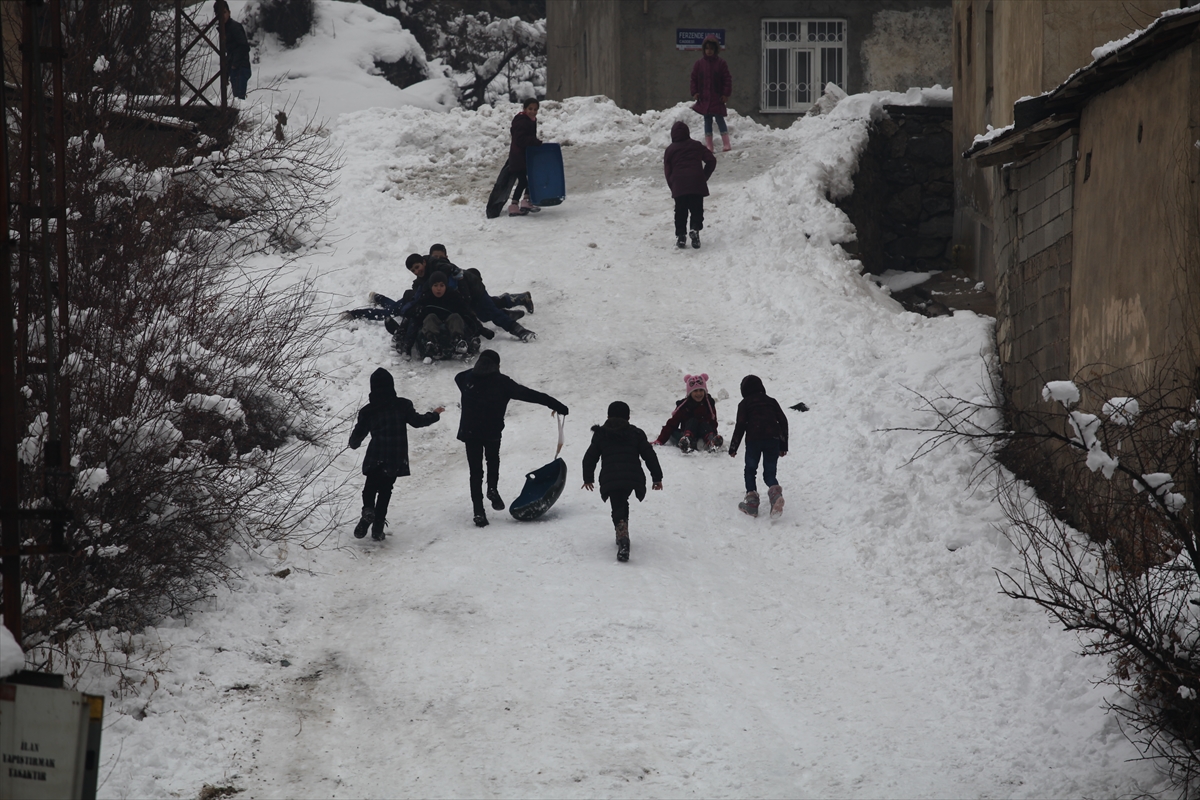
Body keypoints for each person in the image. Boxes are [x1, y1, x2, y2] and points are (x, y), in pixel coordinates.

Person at [454, 349, 568, 527]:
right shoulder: (502, 383)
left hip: (470, 432)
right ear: (497, 366)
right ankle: (492, 488)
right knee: (493, 460)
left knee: (475, 472)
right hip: (491, 431)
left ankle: (478, 512)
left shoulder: (466, 378)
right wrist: (557, 405)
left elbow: (458, 377)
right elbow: (531, 395)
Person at [348, 368, 444, 541]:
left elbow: (358, 436)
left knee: (370, 486)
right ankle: (377, 527)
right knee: (386, 490)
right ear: (391, 385)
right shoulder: (402, 405)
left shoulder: (368, 411)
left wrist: (353, 442)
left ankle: (368, 510)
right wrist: (435, 415)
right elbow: (417, 421)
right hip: (395, 455)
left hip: (376, 453)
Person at [582, 401, 664, 563]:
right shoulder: (636, 433)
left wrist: (588, 478)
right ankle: (622, 530)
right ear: (628, 417)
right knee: (622, 500)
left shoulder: (601, 434)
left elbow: (590, 457)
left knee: (618, 503)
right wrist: (657, 477)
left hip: (611, 477)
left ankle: (622, 535)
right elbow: (649, 455)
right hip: (632, 477)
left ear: (607, 416)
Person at [427, 244, 537, 341]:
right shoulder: (432, 270)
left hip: (474, 292)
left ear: (446, 257)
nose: (438, 260)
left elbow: (465, 296)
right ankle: (508, 312)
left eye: (441, 257)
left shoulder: (452, 271)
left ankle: (518, 328)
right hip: (465, 296)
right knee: (485, 314)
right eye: (435, 257)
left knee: (491, 311)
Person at [727, 375, 788, 518]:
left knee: (750, 469)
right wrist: (783, 444)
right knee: (769, 472)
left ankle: (752, 502)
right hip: (772, 439)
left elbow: (740, 425)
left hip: (754, 440)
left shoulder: (744, 404)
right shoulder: (772, 402)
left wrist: (734, 447)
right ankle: (775, 494)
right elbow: (783, 421)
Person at [406, 271, 486, 360]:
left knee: (455, 317)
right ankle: (432, 343)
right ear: (431, 286)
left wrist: (480, 329)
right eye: (435, 286)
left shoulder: (453, 296)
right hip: (432, 327)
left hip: (450, 325)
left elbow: (467, 313)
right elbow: (414, 318)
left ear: (446, 286)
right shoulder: (425, 297)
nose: (438, 289)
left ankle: (458, 341)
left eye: (441, 285)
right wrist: (407, 345)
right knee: (430, 317)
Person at [664, 120, 716, 250]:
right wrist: (704, 177)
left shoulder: (670, 150)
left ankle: (681, 237)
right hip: (696, 183)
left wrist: (673, 185)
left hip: (679, 184)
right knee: (696, 209)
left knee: (680, 211)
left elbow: (667, 171)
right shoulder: (696, 145)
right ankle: (694, 229)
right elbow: (711, 160)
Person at [653, 373, 722, 452]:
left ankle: (711, 442)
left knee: (704, 424)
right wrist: (660, 440)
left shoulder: (709, 403)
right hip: (687, 432)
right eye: (695, 391)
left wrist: (713, 433)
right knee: (690, 422)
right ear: (690, 393)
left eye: (701, 390)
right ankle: (687, 442)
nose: (698, 393)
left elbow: (713, 422)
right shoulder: (684, 406)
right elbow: (672, 424)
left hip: (704, 433)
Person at [690, 35, 732, 152]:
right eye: (707, 48)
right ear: (704, 49)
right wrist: (695, 92)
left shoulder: (721, 64)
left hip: (717, 98)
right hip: (704, 98)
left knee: (720, 119)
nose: (709, 51)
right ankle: (709, 146)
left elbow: (727, 79)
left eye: (711, 49)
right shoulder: (699, 64)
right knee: (707, 120)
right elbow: (694, 79)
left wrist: (725, 94)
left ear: (715, 50)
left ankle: (726, 143)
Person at [508, 99, 544, 217]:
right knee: (527, 180)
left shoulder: (530, 120)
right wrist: (534, 142)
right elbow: (520, 139)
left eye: (535, 109)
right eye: (530, 109)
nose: (533, 112)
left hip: (522, 156)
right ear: (524, 109)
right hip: (519, 157)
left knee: (524, 181)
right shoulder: (522, 121)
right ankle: (524, 202)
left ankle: (516, 204)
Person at [215, 1, 251, 100]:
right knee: (237, 97)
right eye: (219, 13)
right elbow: (229, 53)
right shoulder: (224, 29)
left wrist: (235, 64)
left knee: (239, 98)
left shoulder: (234, 27)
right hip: (235, 68)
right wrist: (227, 73)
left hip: (240, 67)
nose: (222, 16)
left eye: (224, 12)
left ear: (229, 12)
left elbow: (244, 46)